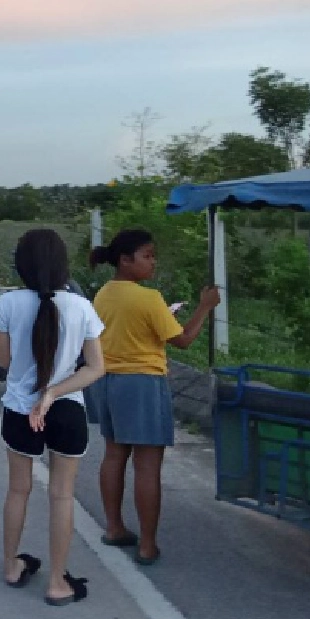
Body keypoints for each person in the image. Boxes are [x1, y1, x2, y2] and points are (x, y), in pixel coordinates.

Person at [0, 229, 106, 606]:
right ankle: (57, 582)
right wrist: (54, 392)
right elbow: (96, 368)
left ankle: (11, 566)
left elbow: (3, 362)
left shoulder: (6, 305)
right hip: (67, 409)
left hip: (20, 408)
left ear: (21, 264)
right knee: (62, 495)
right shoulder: (81, 307)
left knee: (18, 489)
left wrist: (37, 390)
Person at [87, 229, 220, 566]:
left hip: (107, 380)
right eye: (147, 255)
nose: (152, 262)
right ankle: (147, 544)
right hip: (143, 383)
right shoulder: (148, 298)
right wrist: (205, 307)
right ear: (125, 260)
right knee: (147, 465)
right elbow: (185, 339)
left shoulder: (103, 294)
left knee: (114, 455)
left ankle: (115, 527)